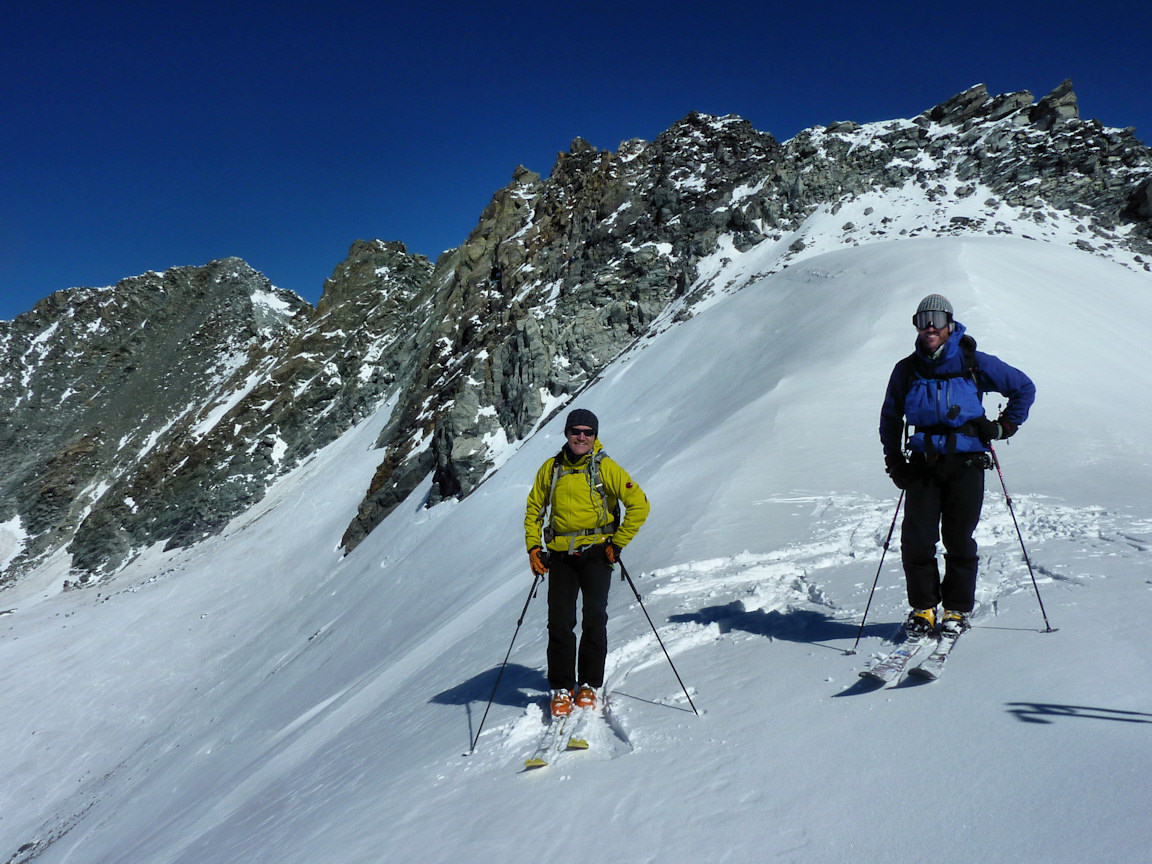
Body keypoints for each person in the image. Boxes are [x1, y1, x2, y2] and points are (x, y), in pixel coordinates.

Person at [879, 294, 1035, 637]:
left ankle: (956, 610)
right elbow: (891, 417)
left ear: (950, 324)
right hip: (922, 463)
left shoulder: (973, 362)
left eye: (936, 318)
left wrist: (1003, 427)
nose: (930, 326)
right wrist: (894, 460)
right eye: (922, 319)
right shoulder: (906, 370)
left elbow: (1023, 387)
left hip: (966, 462)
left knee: (958, 538)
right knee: (917, 540)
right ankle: (924, 609)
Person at [524, 408, 650, 717]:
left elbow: (639, 505)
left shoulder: (605, 468)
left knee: (594, 618)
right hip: (560, 557)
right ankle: (562, 688)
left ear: (594, 436)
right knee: (560, 622)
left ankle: (589, 684)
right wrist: (534, 548)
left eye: (587, 432)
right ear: (566, 433)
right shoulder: (550, 469)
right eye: (576, 431)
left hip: (597, 553)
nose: (582, 437)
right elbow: (534, 509)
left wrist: (617, 543)